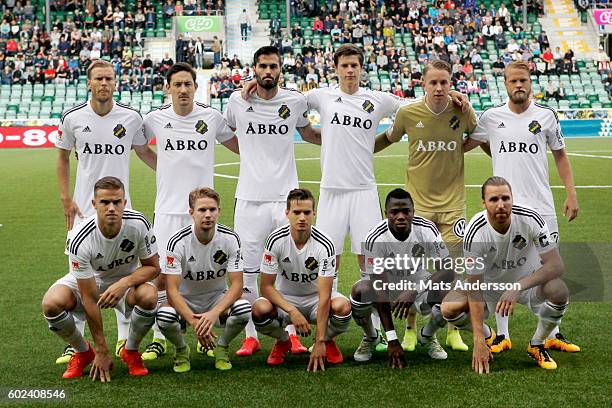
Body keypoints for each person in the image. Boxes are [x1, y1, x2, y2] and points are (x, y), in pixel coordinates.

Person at [464, 61, 580, 354]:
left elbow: (561, 156)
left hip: (542, 208)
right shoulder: (491, 117)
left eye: (524, 80)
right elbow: (467, 142)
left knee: (549, 273)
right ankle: (501, 334)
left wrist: (571, 194)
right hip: (506, 209)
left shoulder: (546, 116)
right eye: (513, 80)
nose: (519, 85)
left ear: (531, 82)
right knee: (504, 268)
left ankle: (551, 333)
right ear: (505, 84)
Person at [55, 59, 156, 365]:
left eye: (109, 78)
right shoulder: (73, 118)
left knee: (127, 270)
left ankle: (125, 339)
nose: (104, 83)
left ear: (116, 82)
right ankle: (78, 344)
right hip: (84, 211)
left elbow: (144, 152)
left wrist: (173, 175)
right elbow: (62, 157)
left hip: (121, 207)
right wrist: (65, 198)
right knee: (82, 276)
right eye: (98, 78)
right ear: (89, 83)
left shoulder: (131, 117)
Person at [374, 60, 476, 353]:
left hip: (453, 205)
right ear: (424, 84)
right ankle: (409, 329)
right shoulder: (408, 112)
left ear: (451, 82)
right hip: (416, 205)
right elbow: (389, 138)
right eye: (434, 82)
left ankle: (452, 329)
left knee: (453, 269)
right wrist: (359, 146)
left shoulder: (461, 110)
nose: (439, 88)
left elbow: (478, 135)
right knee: (412, 269)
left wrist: (460, 141)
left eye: (444, 82)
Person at [225, 46, 320, 356]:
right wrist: (252, 155)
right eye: (263, 66)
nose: (268, 71)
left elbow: (309, 134)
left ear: (281, 69)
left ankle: (291, 335)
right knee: (250, 269)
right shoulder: (237, 101)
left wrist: (343, 137)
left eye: (273, 66)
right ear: (254, 68)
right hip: (249, 199)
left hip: (285, 200)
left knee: (285, 268)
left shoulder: (293, 101)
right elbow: (226, 135)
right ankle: (252, 335)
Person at [140, 62, 239, 361]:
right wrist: (164, 171)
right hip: (168, 210)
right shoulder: (155, 118)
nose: (183, 90)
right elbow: (140, 147)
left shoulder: (211, 117)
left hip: (202, 212)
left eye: (188, 84)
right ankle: (159, 338)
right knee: (161, 275)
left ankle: (205, 330)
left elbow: (239, 145)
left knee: (205, 272)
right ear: (168, 88)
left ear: (196, 87)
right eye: (177, 85)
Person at [441, 177, 570, 372]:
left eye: (505, 198)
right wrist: (478, 340)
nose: (501, 205)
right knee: (448, 308)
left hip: (528, 283)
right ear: (483, 203)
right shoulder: (475, 232)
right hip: (490, 287)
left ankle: (537, 344)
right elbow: (475, 288)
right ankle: (488, 336)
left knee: (559, 290)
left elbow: (556, 265)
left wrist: (518, 286)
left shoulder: (530, 218)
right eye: (493, 200)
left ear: (512, 198)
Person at [41, 177, 160, 380]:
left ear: (125, 202)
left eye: (117, 202)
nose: (111, 208)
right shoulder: (79, 238)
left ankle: (130, 350)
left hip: (125, 281)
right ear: (95, 204)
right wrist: (101, 349)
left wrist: (123, 284)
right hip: (89, 281)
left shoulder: (139, 224)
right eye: (105, 202)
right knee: (51, 304)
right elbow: (88, 297)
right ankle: (82, 351)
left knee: (150, 295)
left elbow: (153, 267)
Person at [350, 189, 455, 365]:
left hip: (419, 287)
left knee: (450, 293)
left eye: (406, 211)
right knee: (361, 290)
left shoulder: (426, 229)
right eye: (394, 212)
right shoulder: (374, 238)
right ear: (386, 214)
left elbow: (448, 271)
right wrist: (392, 339)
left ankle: (427, 336)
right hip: (387, 292)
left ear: (413, 212)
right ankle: (371, 337)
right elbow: (379, 288)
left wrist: (415, 290)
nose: (400, 216)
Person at [252, 189, 351, 370]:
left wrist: (320, 339)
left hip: (316, 299)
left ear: (314, 213)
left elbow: (324, 295)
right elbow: (266, 287)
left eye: (307, 212)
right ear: (287, 213)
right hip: (286, 299)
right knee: (259, 309)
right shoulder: (275, 240)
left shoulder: (325, 244)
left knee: (343, 308)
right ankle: (283, 341)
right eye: (296, 212)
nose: (302, 218)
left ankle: (328, 341)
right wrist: (292, 311)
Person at [157, 188, 249, 372]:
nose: (208, 215)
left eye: (212, 210)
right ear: (191, 213)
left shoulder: (230, 239)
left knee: (244, 308)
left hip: (216, 299)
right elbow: (172, 290)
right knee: (164, 316)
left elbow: (237, 285)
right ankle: (182, 350)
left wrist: (215, 312)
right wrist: (194, 321)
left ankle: (221, 348)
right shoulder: (177, 242)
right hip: (185, 301)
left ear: (219, 211)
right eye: (202, 210)